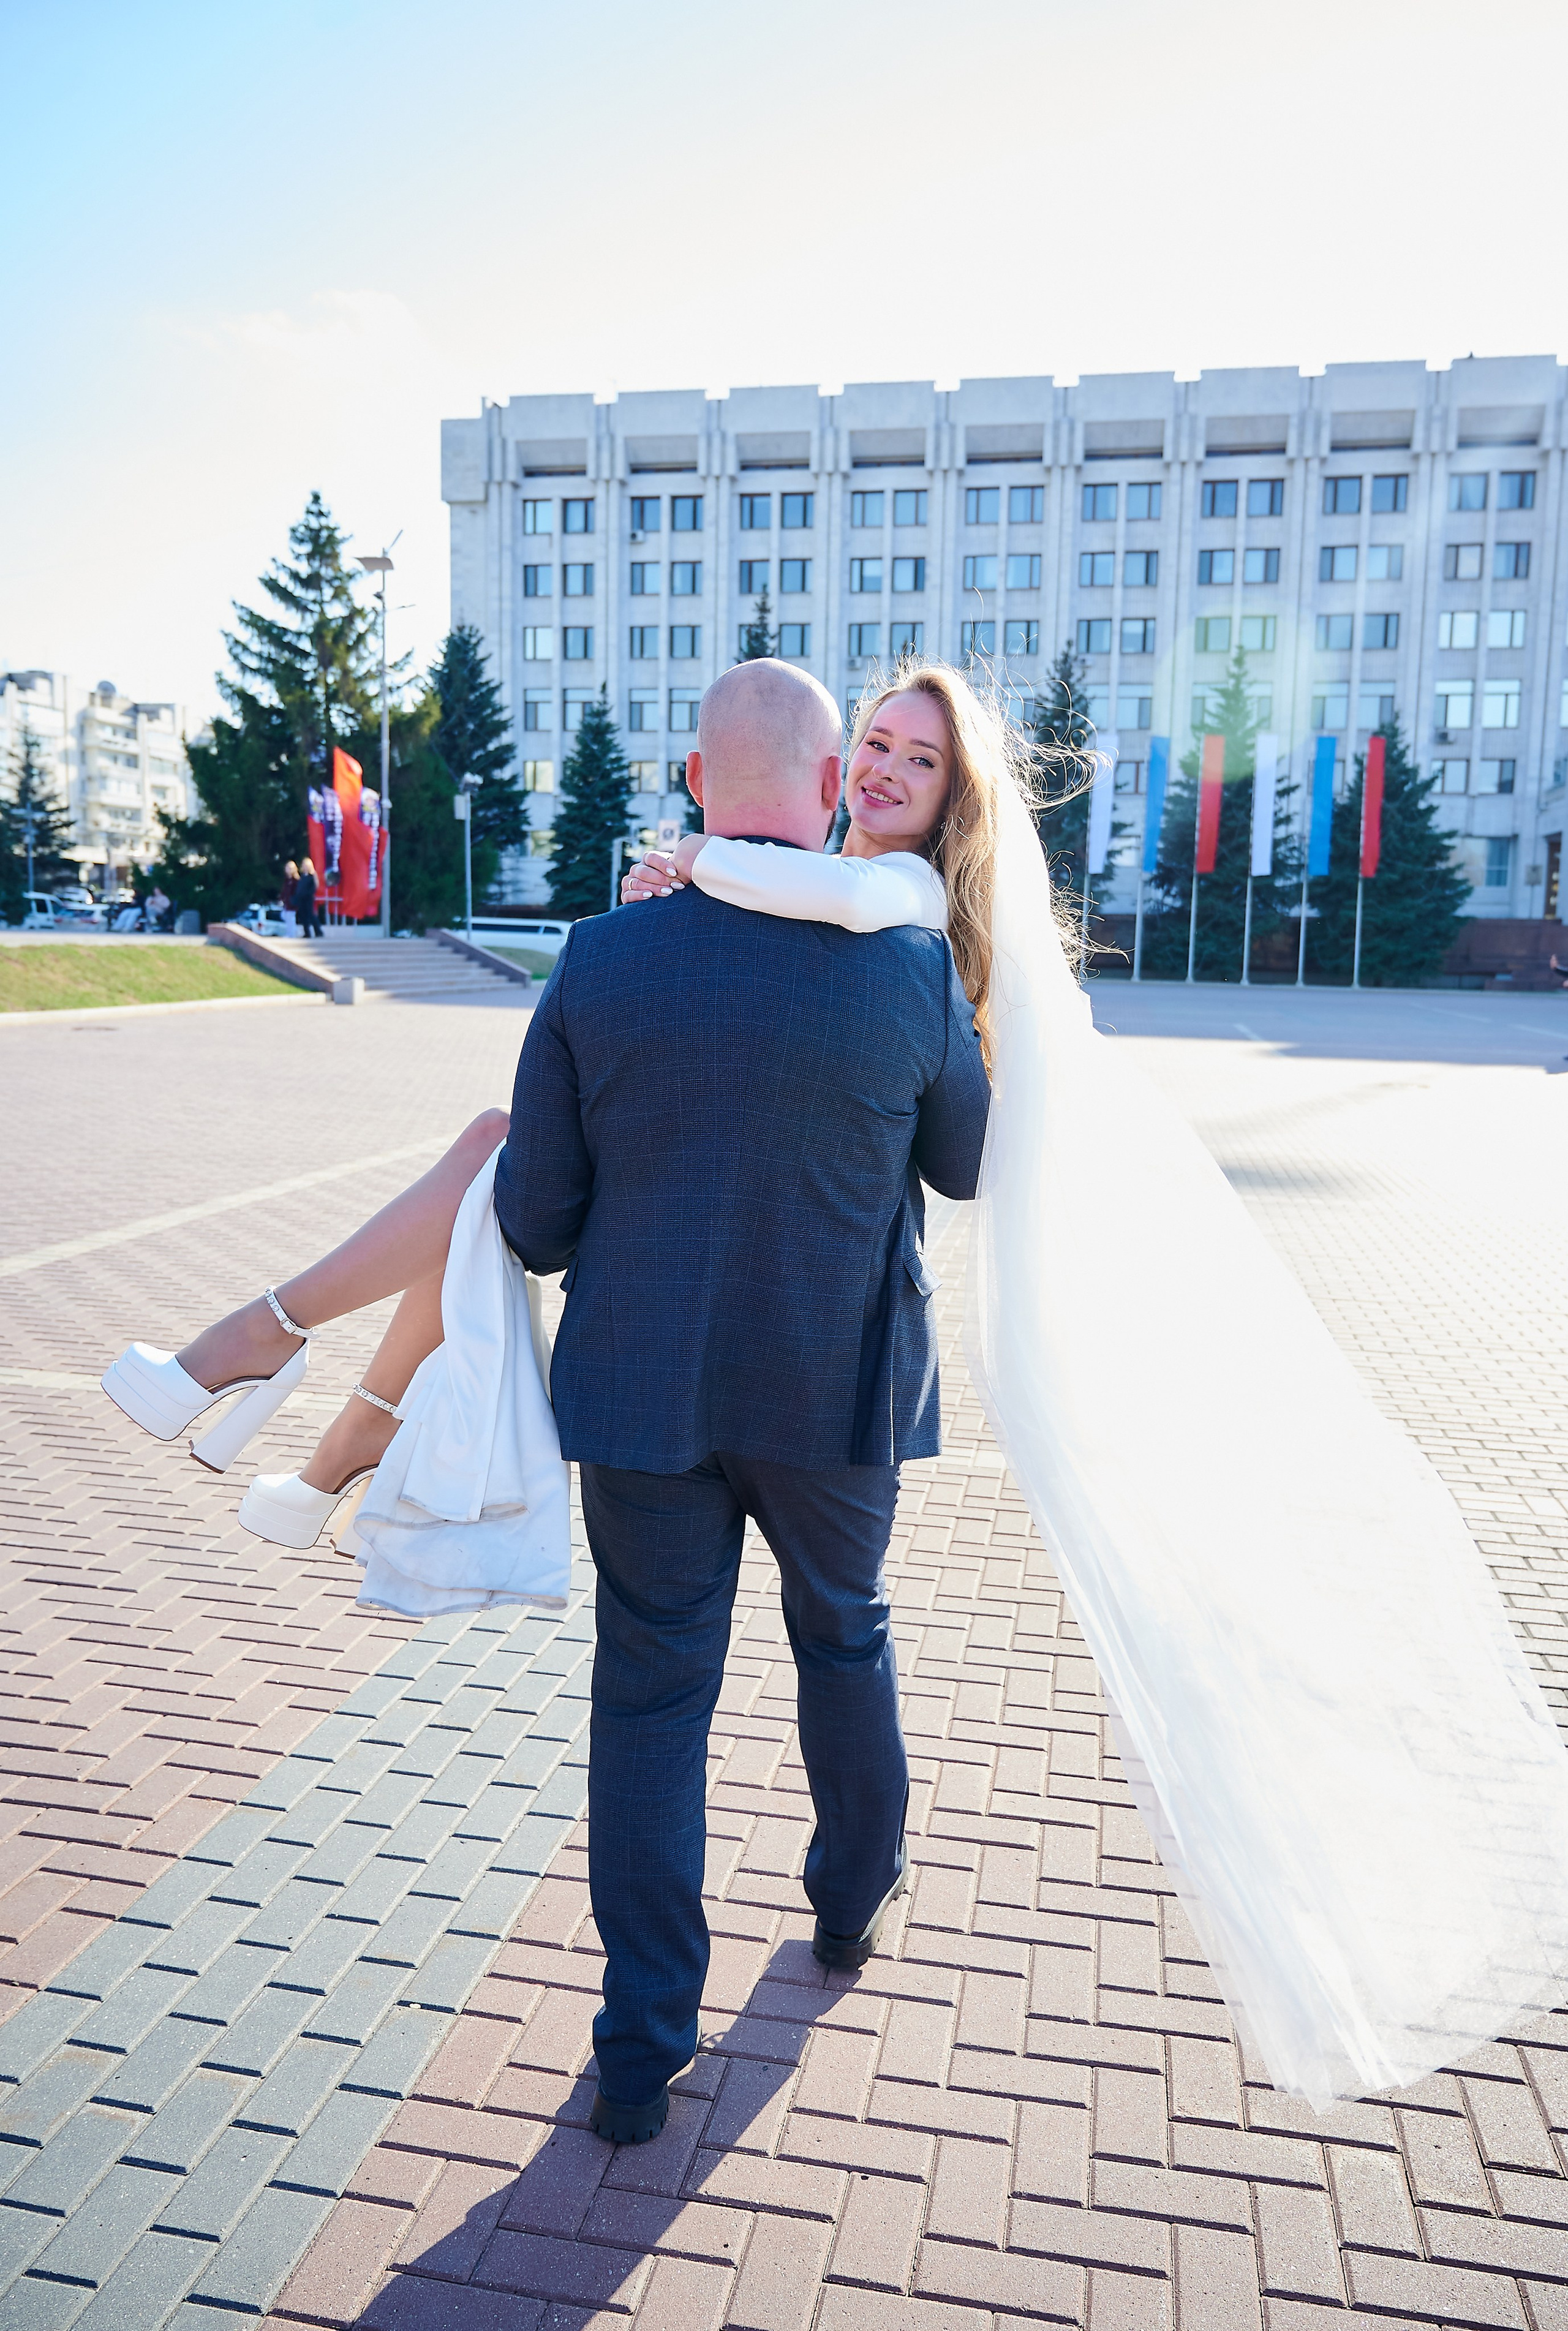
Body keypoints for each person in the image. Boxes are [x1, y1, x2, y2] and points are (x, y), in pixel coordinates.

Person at [100, 655, 1568, 2123]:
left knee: (650, 1698)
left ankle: (636, 2041)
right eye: (863, 751)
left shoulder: (608, 952)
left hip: (642, 1398)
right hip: (834, 1389)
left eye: (906, 759)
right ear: (822, 788)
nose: (874, 776)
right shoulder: (907, 968)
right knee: (842, 1636)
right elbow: (963, 1165)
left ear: (695, 786)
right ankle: (851, 1893)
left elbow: (537, 1221)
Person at [294, 855, 321, 938]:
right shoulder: (302, 877)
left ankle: (318, 932)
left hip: (308, 899)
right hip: (301, 899)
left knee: (311, 915)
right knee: (303, 916)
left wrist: (306, 894)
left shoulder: (312, 876)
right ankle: (307, 933)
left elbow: (313, 889)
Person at [280, 860, 300, 935]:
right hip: (287, 902)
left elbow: (297, 892)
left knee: (291, 918)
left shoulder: (296, 880)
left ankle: (292, 934)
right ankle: (290, 933)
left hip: (293, 903)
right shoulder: (287, 880)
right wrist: (282, 898)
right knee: (285, 916)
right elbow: (284, 891)